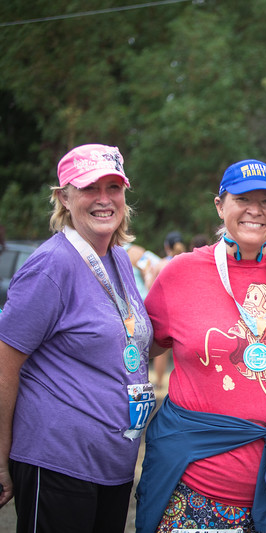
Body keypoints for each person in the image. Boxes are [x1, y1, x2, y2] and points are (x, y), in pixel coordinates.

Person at [136, 159, 266, 533]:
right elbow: (142, 351)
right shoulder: (180, 273)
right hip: (199, 486)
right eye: (243, 199)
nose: (255, 210)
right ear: (219, 205)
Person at [0, 144, 154, 531]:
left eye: (113, 188)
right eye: (89, 188)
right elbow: (4, 362)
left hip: (112, 464)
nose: (104, 199)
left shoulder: (118, 258)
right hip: (58, 461)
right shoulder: (52, 265)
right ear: (64, 198)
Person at [150, 230, 186, 389]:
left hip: (165, 312)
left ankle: (159, 382)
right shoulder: (188, 262)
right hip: (183, 312)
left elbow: (150, 287)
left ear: (166, 246)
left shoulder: (160, 264)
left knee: (162, 351)